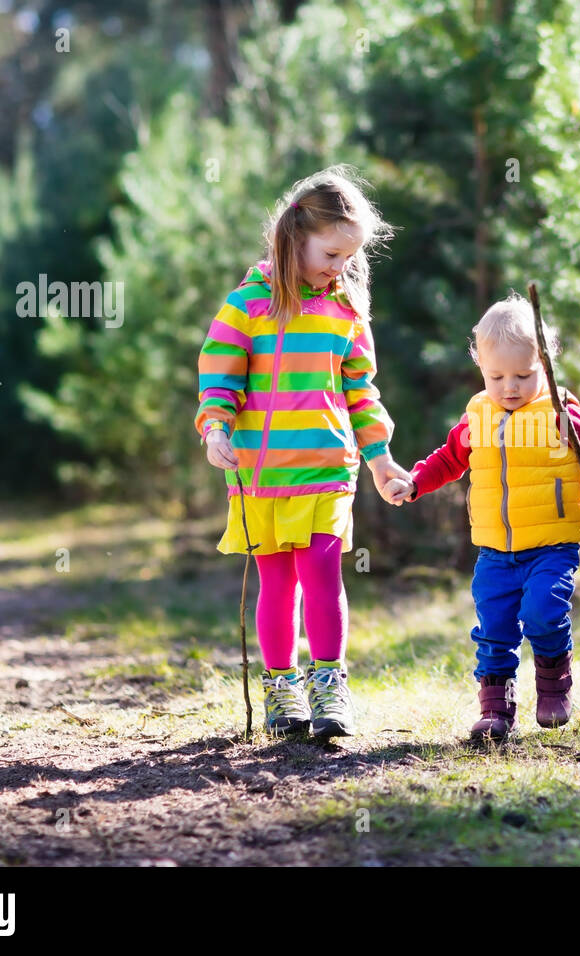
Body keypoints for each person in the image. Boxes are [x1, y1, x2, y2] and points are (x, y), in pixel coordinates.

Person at [196, 165, 412, 739]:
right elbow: (220, 372)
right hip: (261, 475)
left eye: (348, 258)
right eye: (331, 253)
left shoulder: (345, 311)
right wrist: (215, 426)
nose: (339, 267)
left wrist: (381, 457)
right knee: (277, 583)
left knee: (321, 573)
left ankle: (329, 683)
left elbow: (361, 392)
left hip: (326, 468)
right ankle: (281, 687)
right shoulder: (249, 303)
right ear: (296, 235)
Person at [386, 293, 580, 740]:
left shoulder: (559, 411)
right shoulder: (479, 413)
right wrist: (415, 481)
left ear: (545, 364)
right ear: (480, 367)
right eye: (496, 376)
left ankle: (553, 684)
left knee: (544, 611)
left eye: (523, 375)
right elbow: (449, 459)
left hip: (551, 543)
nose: (509, 386)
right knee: (493, 628)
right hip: (494, 550)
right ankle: (496, 708)